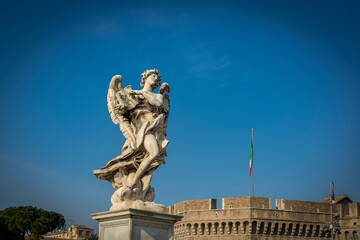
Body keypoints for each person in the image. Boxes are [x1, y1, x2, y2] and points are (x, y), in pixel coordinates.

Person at [94, 69, 170, 203]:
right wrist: (122, 102)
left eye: (157, 78)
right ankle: (133, 182)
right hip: (141, 128)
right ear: (145, 78)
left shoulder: (156, 96)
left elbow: (158, 103)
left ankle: (143, 190)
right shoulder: (131, 94)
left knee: (154, 161)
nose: (156, 79)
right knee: (154, 153)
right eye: (153, 76)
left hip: (154, 128)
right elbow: (122, 111)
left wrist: (139, 94)